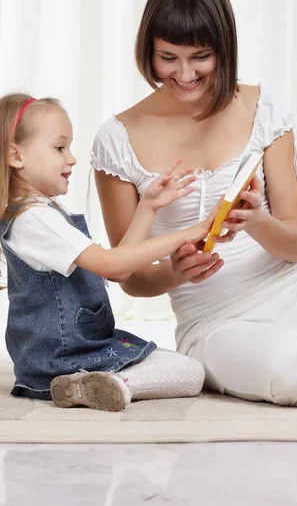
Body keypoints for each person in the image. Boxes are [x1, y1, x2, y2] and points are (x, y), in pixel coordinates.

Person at [92, 0, 297, 407]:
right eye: (168, 57)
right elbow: (130, 277)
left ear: (224, 47)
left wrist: (257, 221)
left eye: (200, 56)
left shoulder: (264, 108)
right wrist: (174, 272)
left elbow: (295, 246)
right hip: (214, 321)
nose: (183, 74)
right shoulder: (117, 138)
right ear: (149, 50)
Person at [0, 93, 211, 412]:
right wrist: (188, 233)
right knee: (190, 373)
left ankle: (86, 385)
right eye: (59, 147)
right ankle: (103, 385)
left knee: (177, 364)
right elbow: (112, 265)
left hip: (70, 352)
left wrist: (148, 206)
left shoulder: (38, 213)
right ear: (16, 155)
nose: (71, 158)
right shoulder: (35, 219)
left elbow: (120, 268)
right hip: (62, 358)